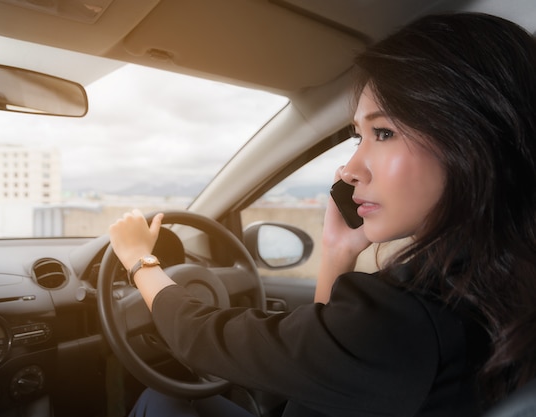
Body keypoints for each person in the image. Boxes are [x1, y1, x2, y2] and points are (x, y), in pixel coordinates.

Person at [108, 12, 536, 416]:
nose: (350, 170)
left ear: (472, 140)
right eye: (358, 138)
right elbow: (327, 360)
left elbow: (201, 339)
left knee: (159, 402)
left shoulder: (405, 319)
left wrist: (139, 261)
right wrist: (337, 250)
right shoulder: (494, 291)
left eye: (383, 132)